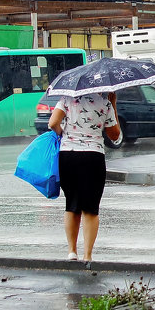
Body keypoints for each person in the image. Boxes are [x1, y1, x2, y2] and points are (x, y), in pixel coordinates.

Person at [49, 91, 121, 262]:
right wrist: (113, 103)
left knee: (72, 204)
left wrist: (63, 134)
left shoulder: (66, 98)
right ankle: (87, 255)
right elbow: (115, 135)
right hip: (93, 156)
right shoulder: (105, 103)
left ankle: (72, 251)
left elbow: (53, 123)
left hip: (68, 155)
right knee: (90, 208)